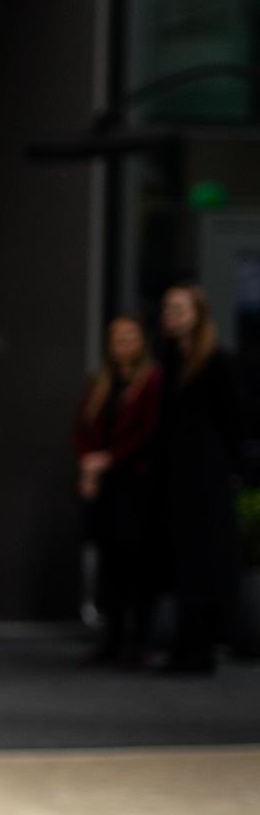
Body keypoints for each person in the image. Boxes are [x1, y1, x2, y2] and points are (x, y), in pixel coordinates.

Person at [154, 284, 246, 674]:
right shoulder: (170, 361)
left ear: (197, 314)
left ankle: (201, 646)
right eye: (167, 308)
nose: (170, 315)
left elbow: (236, 420)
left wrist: (233, 470)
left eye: (178, 308)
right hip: (177, 478)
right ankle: (184, 644)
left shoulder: (217, 361)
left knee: (204, 563)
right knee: (182, 562)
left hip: (208, 478)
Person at [72, 314, 161, 664]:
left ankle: (139, 639)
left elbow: (148, 432)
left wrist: (110, 459)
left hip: (136, 483)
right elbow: (83, 428)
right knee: (109, 560)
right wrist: (88, 465)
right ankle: (113, 635)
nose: (123, 343)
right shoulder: (100, 384)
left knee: (137, 561)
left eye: (129, 336)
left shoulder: (152, 382)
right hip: (106, 486)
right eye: (117, 337)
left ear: (142, 341)